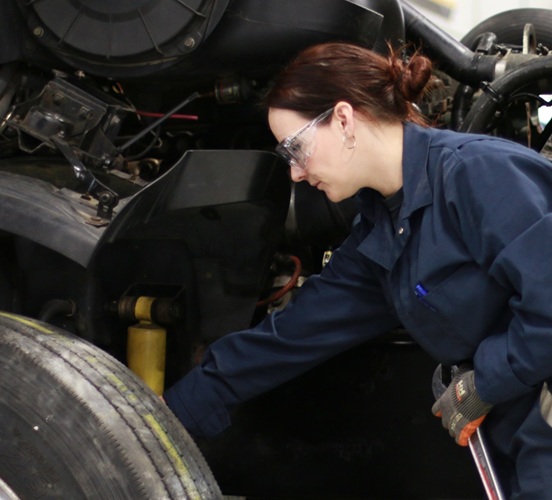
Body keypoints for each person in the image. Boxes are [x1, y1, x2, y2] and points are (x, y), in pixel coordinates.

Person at [164, 41, 552, 498]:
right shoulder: (381, 234)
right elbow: (293, 334)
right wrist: (164, 417)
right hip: (522, 439)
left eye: (294, 148)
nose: (294, 174)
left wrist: (487, 380)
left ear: (344, 119)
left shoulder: (475, 174)